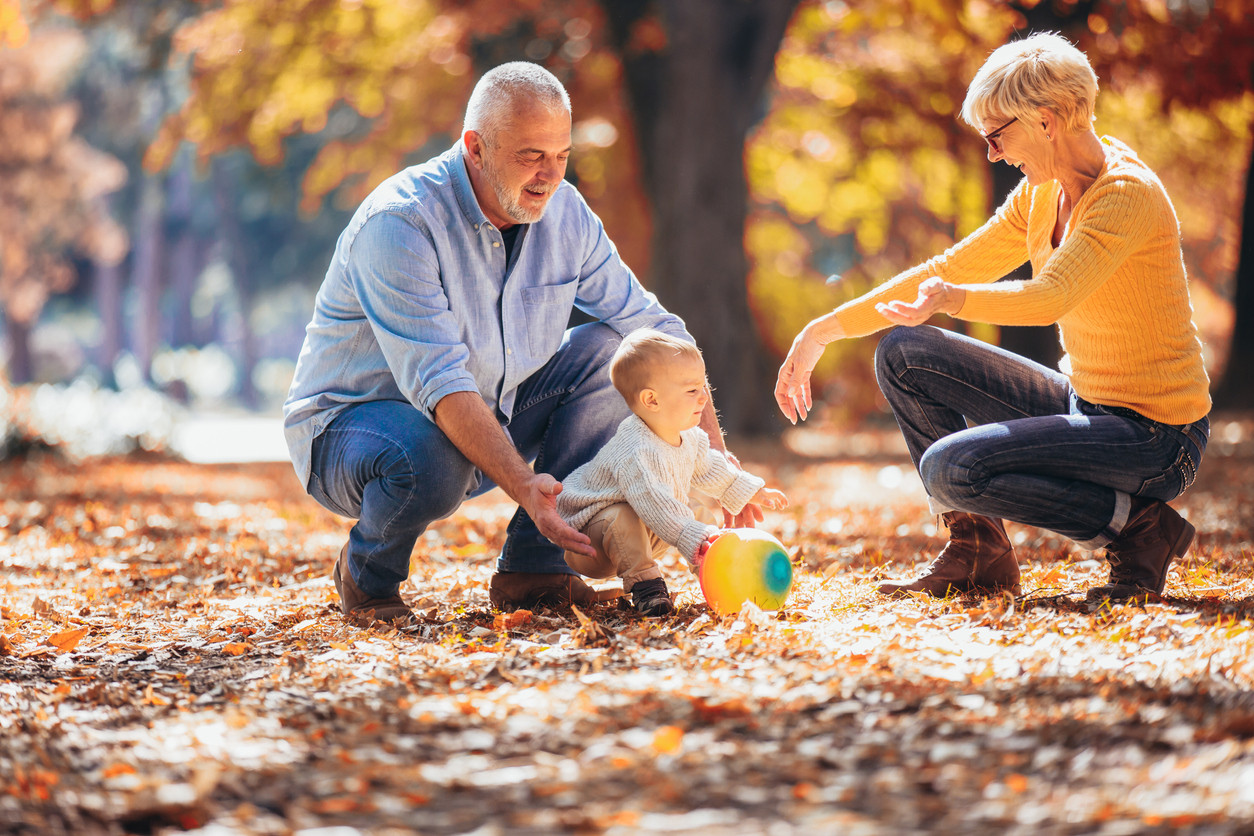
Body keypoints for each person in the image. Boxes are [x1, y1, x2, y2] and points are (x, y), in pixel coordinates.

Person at [284, 62, 759, 625]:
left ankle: (533, 570)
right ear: (476, 148)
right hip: (353, 432)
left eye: (561, 156)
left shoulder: (567, 214)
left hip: (486, 413)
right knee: (428, 455)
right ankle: (368, 577)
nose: (548, 176)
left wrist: (713, 454)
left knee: (620, 353)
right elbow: (442, 386)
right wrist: (528, 490)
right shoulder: (401, 224)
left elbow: (653, 329)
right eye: (530, 155)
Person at [774, 33, 1211, 604]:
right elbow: (949, 265)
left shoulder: (1125, 195)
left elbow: (1050, 295)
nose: (993, 154)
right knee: (904, 352)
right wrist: (822, 330)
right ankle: (979, 552)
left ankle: (1139, 529)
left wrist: (953, 298)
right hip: (1087, 404)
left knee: (950, 469)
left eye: (998, 135)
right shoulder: (1042, 193)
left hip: (1157, 439)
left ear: (1047, 122)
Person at [556, 329, 788, 616]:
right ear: (652, 400)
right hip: (592, 542)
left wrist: (750, 489)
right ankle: (647, 587)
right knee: (623, 517)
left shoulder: (688, 437)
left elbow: (711, 468)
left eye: (703, 386)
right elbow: (655, 504)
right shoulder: (634, 449)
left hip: (647, 528)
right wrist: (696, 536)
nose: (704, 398)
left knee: (696, 510)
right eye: (692, 390)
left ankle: (718, 568)